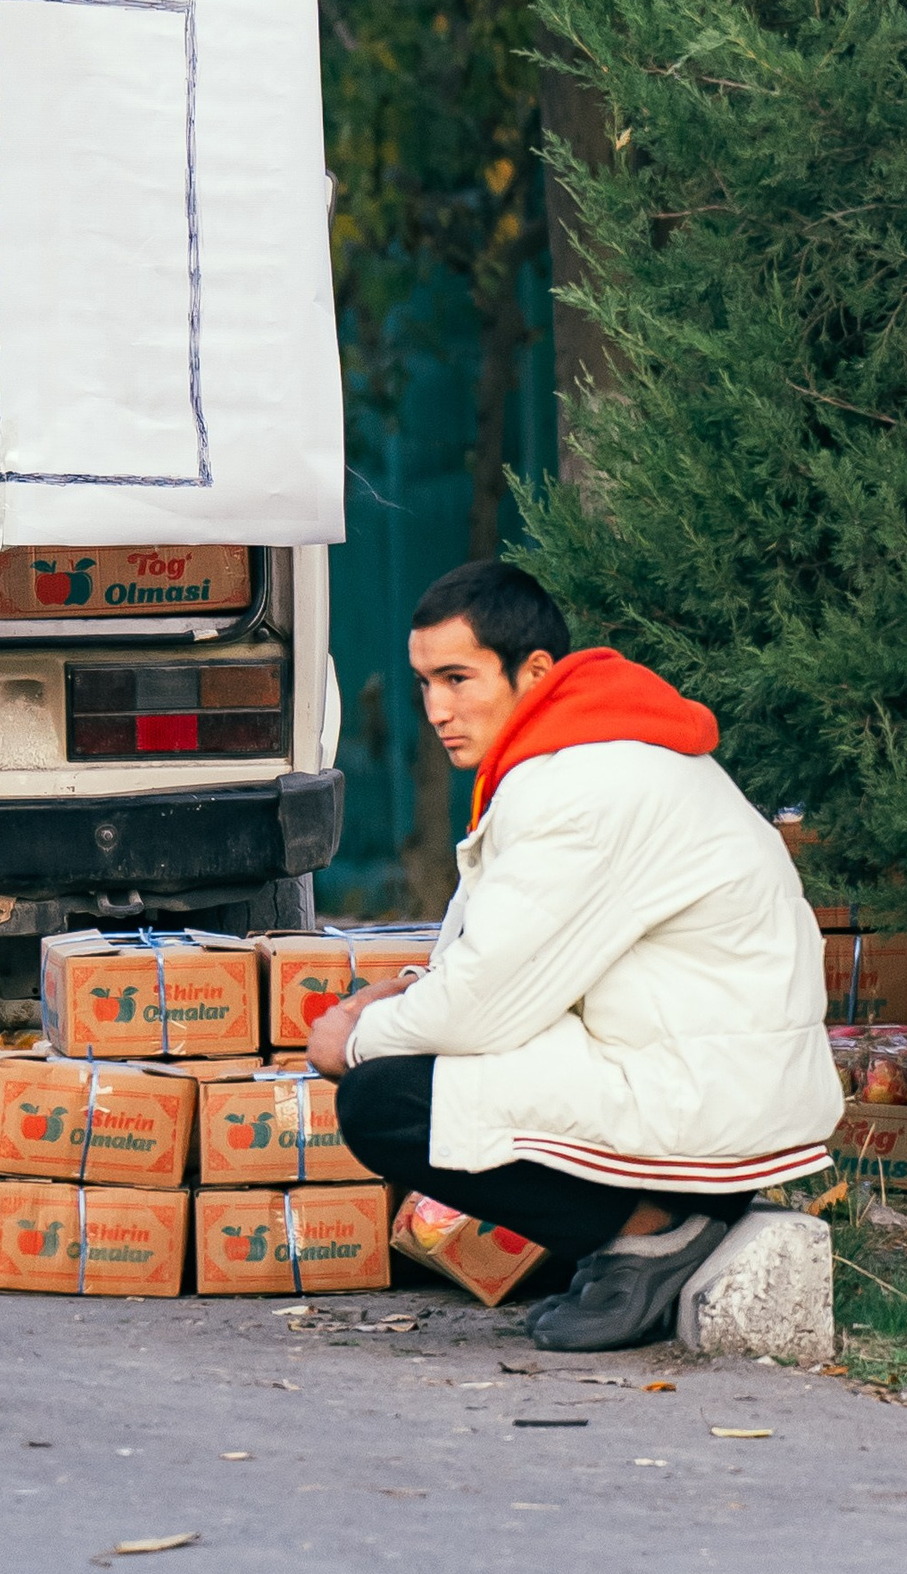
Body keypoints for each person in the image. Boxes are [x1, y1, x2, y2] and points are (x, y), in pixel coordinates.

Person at [315, 559, 840, 1351]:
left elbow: (485, 1002)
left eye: (459, 679)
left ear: (534, 672)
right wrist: (405, 993)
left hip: (700, 1099)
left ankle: (652, 1231)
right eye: (425, 683)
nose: (437, 709)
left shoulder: (579, 787)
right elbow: (499, 960)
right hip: (689, 1071)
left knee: (383, 1101)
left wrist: (353, 1038)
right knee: (411, 1061)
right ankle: (626, 1226)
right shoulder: (580, 757)